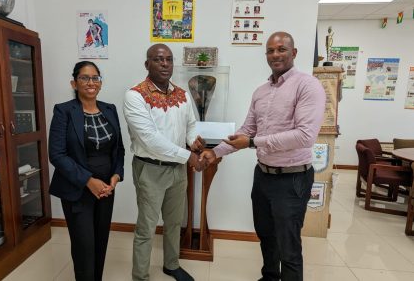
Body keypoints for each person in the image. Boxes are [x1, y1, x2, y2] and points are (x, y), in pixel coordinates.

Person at [201, 32, 326, 281]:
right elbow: (247, 130)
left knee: (288, 245)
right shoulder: (260, 91)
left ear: (294, 53)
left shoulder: (307, 85)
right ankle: (270, 277)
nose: (275, 55)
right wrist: (213, 153)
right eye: (270, 50)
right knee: (266, 234)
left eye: (281, 49)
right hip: (264, 175)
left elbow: (304, 136)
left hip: (292, 178)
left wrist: (251, 142)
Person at [123, 44, 206, 281]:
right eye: (159, 59)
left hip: (177, 170)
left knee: (173, 222)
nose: (165, 64)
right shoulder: (135, 95)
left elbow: (190, 124)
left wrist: (193, 142)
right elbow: (149, 139)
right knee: (146, 228)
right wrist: (188, 155)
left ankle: (171, 264)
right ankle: (140, 275)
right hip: (150, 169)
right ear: (147, 63)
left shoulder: (182, 94)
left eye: (169, 59)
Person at [48, 61, 125, 281]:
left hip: (106, 189)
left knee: (101, 241)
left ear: (100, 82)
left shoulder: (110, 109)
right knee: (84, 245)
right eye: (84, 78)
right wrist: (89, 181)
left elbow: (118, 148)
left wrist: (116, 176)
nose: (91, 82)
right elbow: (57, 154)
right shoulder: (64, 111)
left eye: (95, 78)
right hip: (77, 190)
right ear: (74, 82)